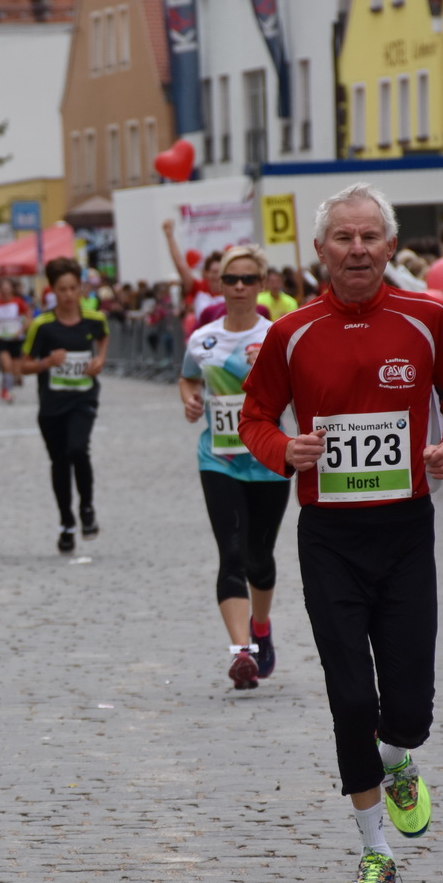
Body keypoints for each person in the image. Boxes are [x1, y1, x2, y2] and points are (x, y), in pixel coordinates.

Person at [239, 182, 443, 883]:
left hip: (405, 531)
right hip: (330, 537)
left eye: (370, 236)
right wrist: (285, 450)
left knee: (410, 707)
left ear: (390, 245)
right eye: (343, 237)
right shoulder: (291, 332)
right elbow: (255, 416)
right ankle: (376, 853)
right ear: (320, 250)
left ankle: (397, 756)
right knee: (349, 697)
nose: (357, 249)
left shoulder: (427, 317)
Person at [177, 244, 291, 690]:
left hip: (268, 461)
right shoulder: (202, 339)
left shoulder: (278, 335)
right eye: (231, 279)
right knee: (232, 554)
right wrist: (189, 400)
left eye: (248, 279)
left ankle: (261, 627)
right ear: (218, 285)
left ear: (261, 284)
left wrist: (268, 371)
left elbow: (299, 389)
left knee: (260, 559)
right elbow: (188, 377)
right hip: (218, 459)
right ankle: (241, 652)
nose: (239, 286)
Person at [19, 258, 109, 553]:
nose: (69, 295)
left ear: (81, 288)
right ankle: (66, 522)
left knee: (78, 449)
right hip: (52, 405)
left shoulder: (94, 318)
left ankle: (87, 508)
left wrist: (100, 359)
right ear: (52, 290)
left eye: (73, 288)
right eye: (62, 289)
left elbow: (103, 336)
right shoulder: (42, 325)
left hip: (83, 398)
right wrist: (47, 362)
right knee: (59, 462)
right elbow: (23, 366)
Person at [0, 278, 28, 402]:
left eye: (7, 288)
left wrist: (21, 329)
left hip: (16, 339)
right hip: (2, 339)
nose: (5, 291)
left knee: (15, 370)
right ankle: (6, 391)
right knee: (6, 364)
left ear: (11, 289)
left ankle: (12, 382)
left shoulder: (18, 302)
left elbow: (28, 317)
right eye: (3, 288)